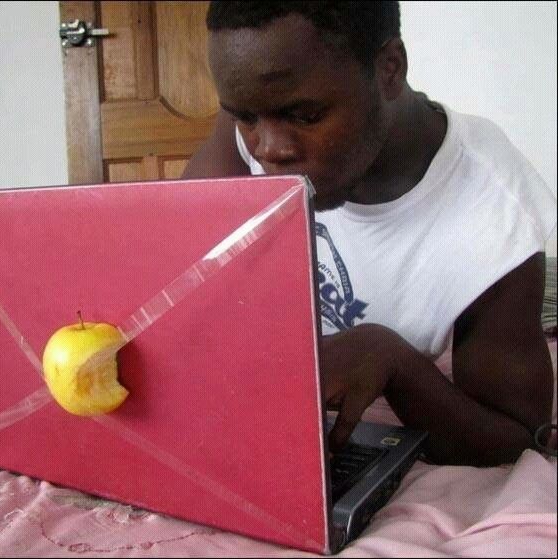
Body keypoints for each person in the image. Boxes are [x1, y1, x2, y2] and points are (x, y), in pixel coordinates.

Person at [182, 1, 557, 466]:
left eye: (305, 115)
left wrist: (391, 361)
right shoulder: (259, 113)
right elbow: (182, 264)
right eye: (245, 117)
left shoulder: (496, 211)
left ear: (389, 68)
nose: (269, 150)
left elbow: (517, 438)